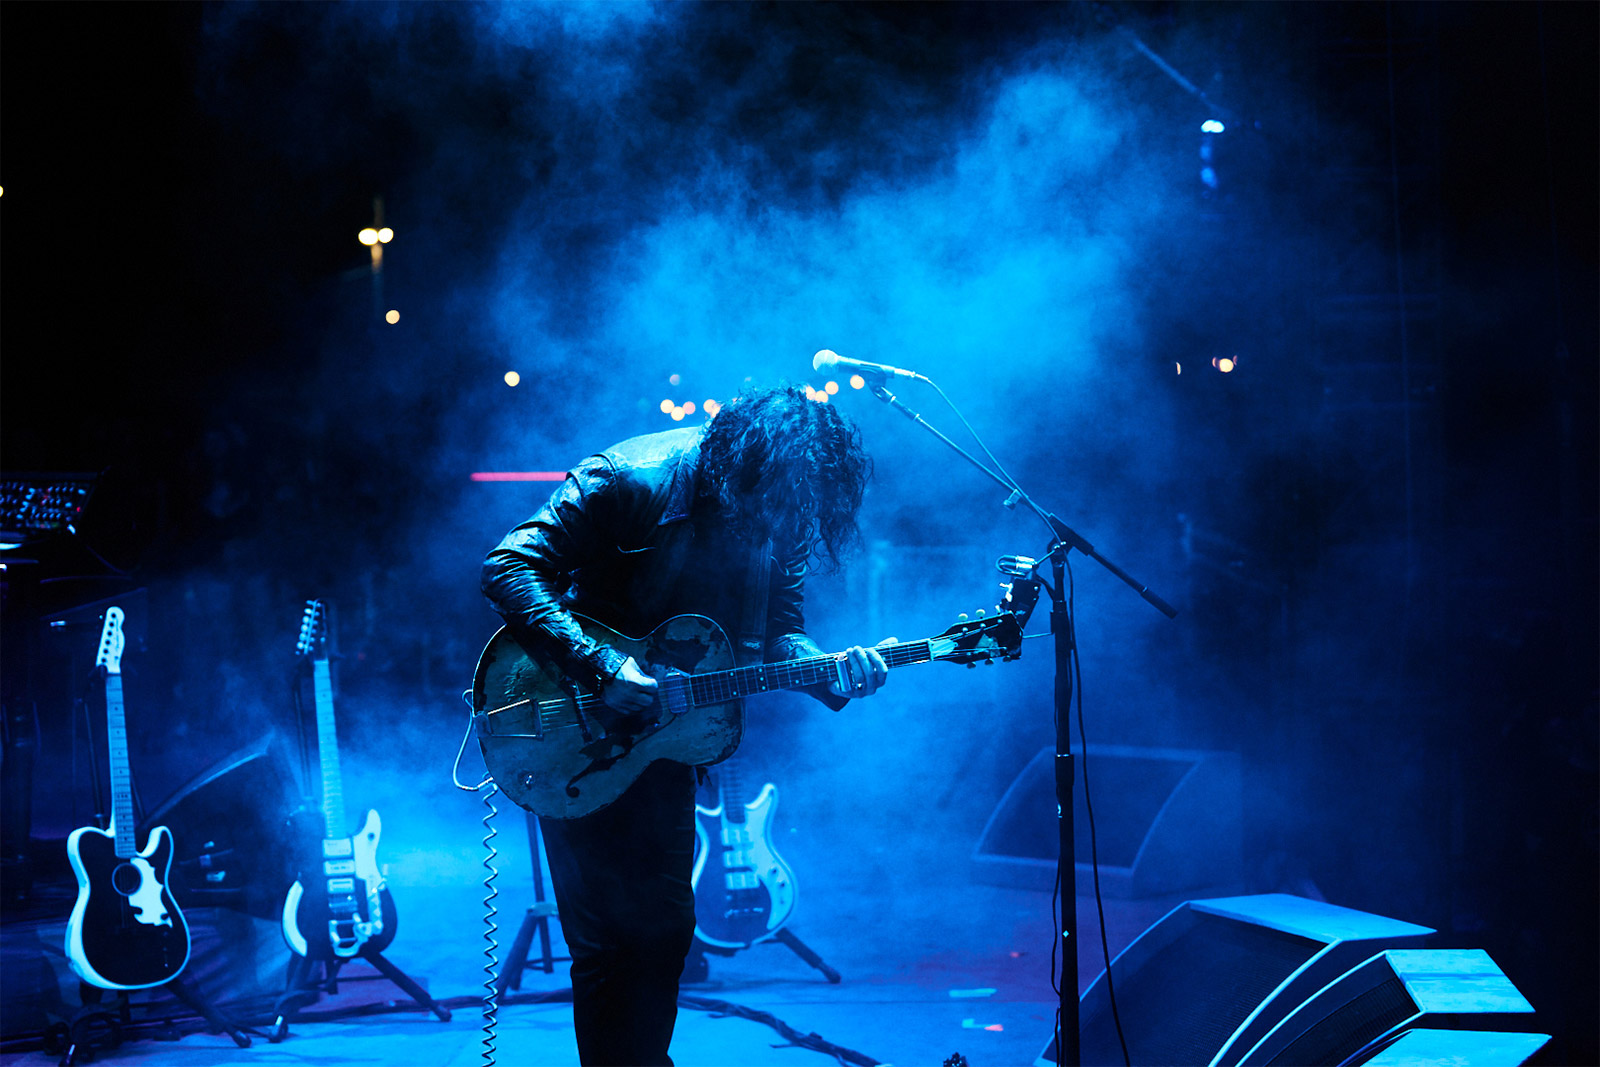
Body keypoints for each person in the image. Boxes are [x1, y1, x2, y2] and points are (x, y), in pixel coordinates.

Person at [480, 385, 889, 1067]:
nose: (783, 526)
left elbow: (781, 635)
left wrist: (831, 667)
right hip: (575, 728)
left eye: (798, 511)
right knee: (606, 942)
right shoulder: (630, 478)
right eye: (772, 505)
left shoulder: (779, 515)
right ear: (740, 470)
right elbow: (509, 564)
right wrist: (602, 664)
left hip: (662, 743)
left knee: (666, 931)